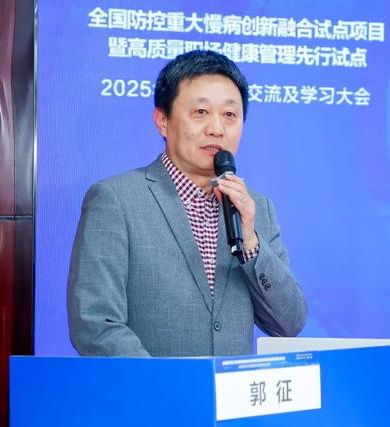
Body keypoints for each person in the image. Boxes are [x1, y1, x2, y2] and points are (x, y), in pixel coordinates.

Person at [67, 50, 307, 357]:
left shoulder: (255, 209)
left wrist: (250, 242)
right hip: (155, 387)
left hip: (231, 388)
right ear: (162, 121)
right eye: (200, 112)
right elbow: (96, 324)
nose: (217, 128)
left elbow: (289, 323)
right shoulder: (116, 200)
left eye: (230, 115)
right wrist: (168, 383)